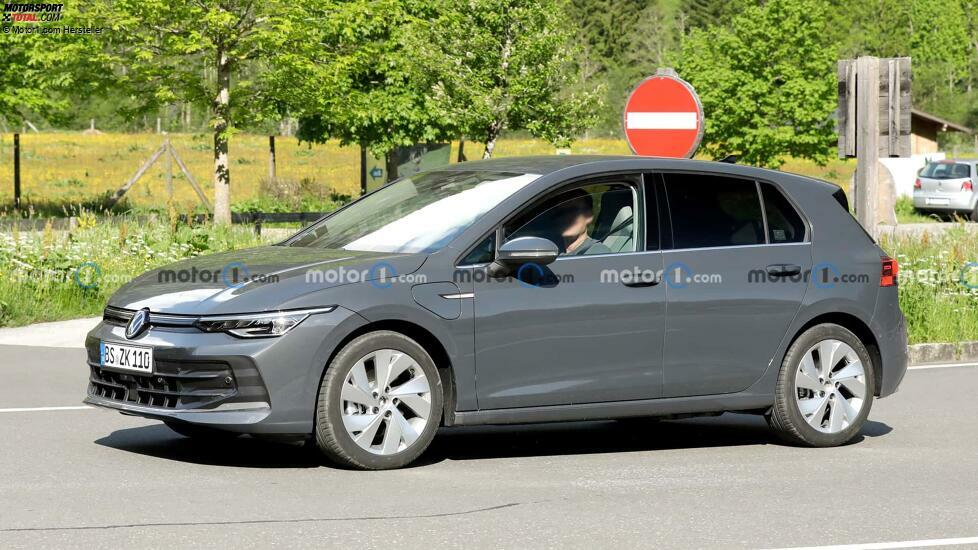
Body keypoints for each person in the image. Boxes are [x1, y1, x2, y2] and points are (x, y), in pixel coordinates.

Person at [555, 190, 611, 256]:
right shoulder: (547, 250)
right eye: (561, 212)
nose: (567, 217)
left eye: (573, 210)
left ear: (589, 216)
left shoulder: (598, 253)